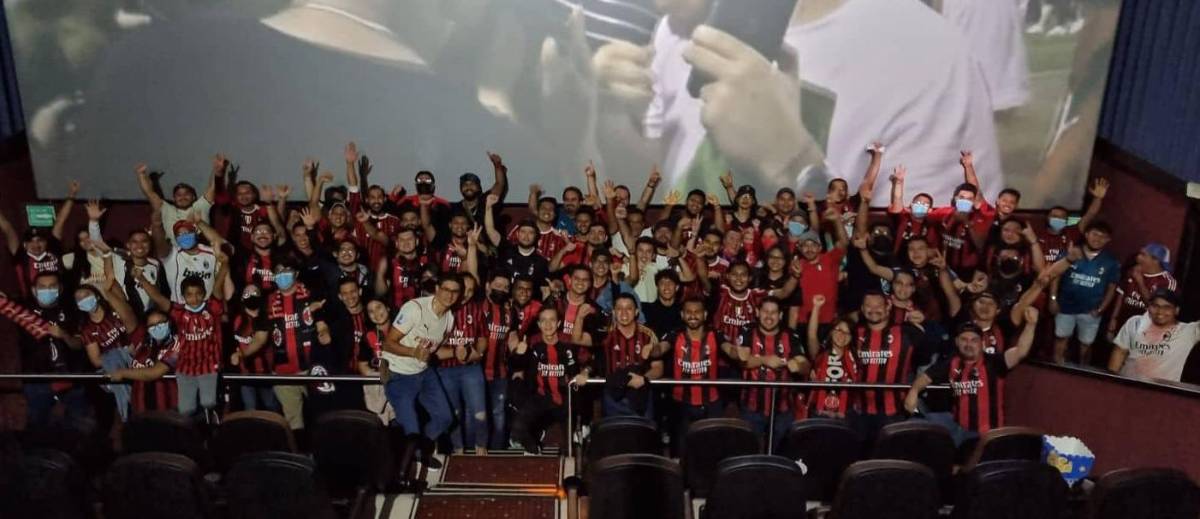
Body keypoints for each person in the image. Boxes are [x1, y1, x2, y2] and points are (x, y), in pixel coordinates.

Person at [905, 309, 1039, 445]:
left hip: (987, 433)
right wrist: (914, 391)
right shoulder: (951, 363)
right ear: (957, 342)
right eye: (964, 339)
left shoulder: (995, 362)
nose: (968, 344)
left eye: (974, 340)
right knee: (915, 424)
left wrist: (1030, 325)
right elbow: (925, 377)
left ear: (982, 343)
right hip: (958, 428)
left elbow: (1020, 351)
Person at [233, 260, 330, 435]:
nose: (282, 274)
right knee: (294, 422)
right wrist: (243, 353)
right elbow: (261, 337)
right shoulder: (268, 302)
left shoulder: (310, 294)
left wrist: (324, 333)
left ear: (296, 274)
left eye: (287, 270)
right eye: (278, 271)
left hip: (313, 369)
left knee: (322, 417)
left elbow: (322, 324)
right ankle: (300, 456)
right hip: (284, 373)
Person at [380, 274, 462, 469]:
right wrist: (412, 352)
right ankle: (409, 458)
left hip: (424, 373)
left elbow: (432, 352)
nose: (449, 295)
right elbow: (388, 343)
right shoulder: (414, 309)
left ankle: (418, 449)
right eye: (446, 289)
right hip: (399, 373)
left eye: (455, 292)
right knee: (411, 429)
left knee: (445, 417)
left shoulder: (449, 319)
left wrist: (460, 353)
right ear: (437, 289)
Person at [0, 275, 87, 429]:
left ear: (59, 288)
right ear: (34, 290)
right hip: (37, 382)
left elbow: (79, 344)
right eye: (43, 287)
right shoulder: (23, 309)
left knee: (78, 427)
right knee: (37, 429)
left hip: (71, 379)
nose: (48, 290)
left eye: (52, 286)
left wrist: (64, 335)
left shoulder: (71, 310)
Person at [508, 305, 592, 454]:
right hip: (540, 398)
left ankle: (570, 465)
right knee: (518, 428)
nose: (548, 325)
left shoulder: (569, 342)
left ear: (558, 323)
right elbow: (516, 365)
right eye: (543, 321)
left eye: (552, 320)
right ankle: (534, 452)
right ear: (539, 324)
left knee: (570, 445)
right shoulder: (532, 343)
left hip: (567, 399)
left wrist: (585, 372)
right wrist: (520, 353)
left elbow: (590, 362)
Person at [658, 296, 735, 454]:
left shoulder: (715, 334)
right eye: (688, 312)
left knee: (712, 449)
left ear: (705, 314)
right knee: (680, 450)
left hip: (711, 403)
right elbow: (661, 348)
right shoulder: (675, 334)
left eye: (697, 312)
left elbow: (730, 350)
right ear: (682, 315)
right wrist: (652, 350)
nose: (693, 315)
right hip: (681, 403)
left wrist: (738, 353)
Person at [731, 296, 809, 448]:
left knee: (780, 451)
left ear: (780, 315)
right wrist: (765, 360)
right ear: (758, 313)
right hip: (751, 406)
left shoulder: (791, 335)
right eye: (765, 311)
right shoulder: (747, 330)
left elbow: (806, 365)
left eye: (773, 312)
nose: (769, 316)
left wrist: (798, 366)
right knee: (750, 449)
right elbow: (743, 360)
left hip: (784, 407)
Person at [1050, 223, 1119, 364]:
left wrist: (1101, 309)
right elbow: (1055, 276)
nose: (1097, 239)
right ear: (1086, 234)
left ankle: (1083, 372)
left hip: (1091, 310)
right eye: (1095, 234)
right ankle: (1057, 368)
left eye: (1102, 236)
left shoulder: (1111, 262)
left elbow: (1112, 288)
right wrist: (1053, 298)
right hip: (1065, 306)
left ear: (1108, 240)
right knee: (1061, 338)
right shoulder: (1071, 253)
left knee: (1086, 345)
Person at [1109, 289, 1198, 383]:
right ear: (1149, 307)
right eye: (1155, 306)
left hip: (1163, 392)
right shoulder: (1135, 322)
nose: (1160, 311)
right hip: (1128, 385)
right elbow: (1119, 352)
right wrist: (1110, 382)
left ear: (1176, 310)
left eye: (1167, 307)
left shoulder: (1189, 331)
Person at [600, 294, 662, 418]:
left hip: (641, 396)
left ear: (636, 312)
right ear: (613, 312)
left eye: (628, 308)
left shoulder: (648, 335)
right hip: (613, 398)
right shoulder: (605, 336)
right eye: (619, 308)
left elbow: (658, 368)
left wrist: (643, 379)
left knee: (642, 435)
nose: (624, 313)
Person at [134, 159, 220, 245]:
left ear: (193, 197)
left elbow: (212, 188)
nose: (183, 197)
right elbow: (150, 194)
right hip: (175, 255)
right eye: (179, 195)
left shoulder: (201, 206)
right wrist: (141, 175)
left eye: (186, 194)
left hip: (202, 254)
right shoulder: (167, 209)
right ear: (174, 198)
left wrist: (217, 169)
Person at [1108, 243, 1177, 340]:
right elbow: (1121, 296)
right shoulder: (1132, 272)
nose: (1138, 257)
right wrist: (1114, 319)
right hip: (1123, 325)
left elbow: (1155, 305)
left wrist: (1140, 281)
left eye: (1143, 255)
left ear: (1155, 260)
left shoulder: (1167, 281)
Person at [806, 296, 859, 420]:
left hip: (846, 415)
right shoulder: (821, 354)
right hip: (818, 414)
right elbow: (812, 335)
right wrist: (816, 308)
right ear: (831, 332)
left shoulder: (856, 357)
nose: (842, 335)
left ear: (851, 337)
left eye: (847, 332)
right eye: (838, 330)